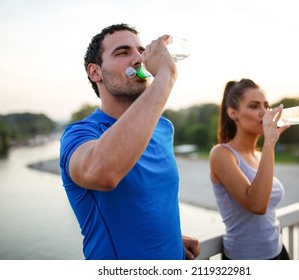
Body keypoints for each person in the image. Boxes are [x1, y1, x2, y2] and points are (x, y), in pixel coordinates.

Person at [59, 23, 200, 260]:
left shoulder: (163, 127)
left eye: (141, 51)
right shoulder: (80, 134)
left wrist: (170, 239)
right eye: (123, 52)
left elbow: (147, 205)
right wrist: (166, 75)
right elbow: (102, 172)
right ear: (95, 72)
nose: (138, 59)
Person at [209, 78, 290, 260]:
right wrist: (270, 142)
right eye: (254, 106)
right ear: (233, 113)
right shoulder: (222, 154)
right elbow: (257, 205)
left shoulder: (260, 156)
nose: (264, 112)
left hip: (277, 251)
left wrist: (268, 146)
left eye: (266, 106)